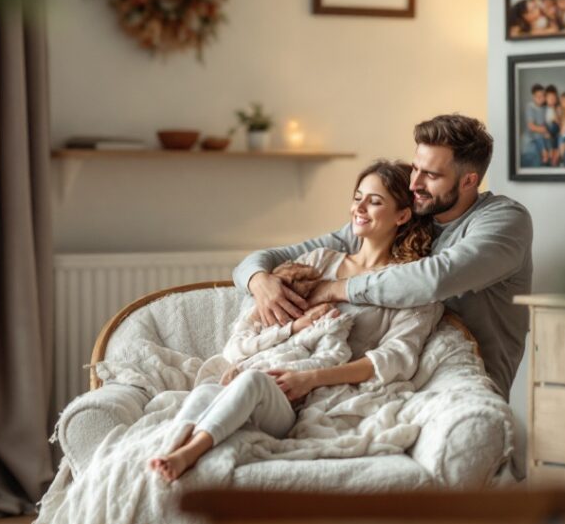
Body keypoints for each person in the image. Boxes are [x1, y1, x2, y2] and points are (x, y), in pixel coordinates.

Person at [152, 160, 441, 482]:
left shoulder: (409, 285)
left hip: (314, 398)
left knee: (252, 383)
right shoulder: (319, 261)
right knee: (209, 390)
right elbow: (259, 323)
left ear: (402, 215)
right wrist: (252, 356)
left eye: (374, 201)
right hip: (269, 375)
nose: (359, 207)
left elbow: (396, 358)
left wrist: (312, 378)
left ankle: (187, 455)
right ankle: (167, 451)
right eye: (357, 196)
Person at [234, 115, 534, 398]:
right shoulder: (410, 217)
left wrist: (333, 288)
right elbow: (275, 257)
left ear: (469, 181)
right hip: (385, 377)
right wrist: (258, 280)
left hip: (459, 377)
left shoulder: (504, 221)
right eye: (416, 168)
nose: (414, 184)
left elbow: (436, 279)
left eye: (431, 175)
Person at [522, 84, 552, 167]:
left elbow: (548, 124)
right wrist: (544, 130)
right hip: (532, 138)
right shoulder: (530, 107)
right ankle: (544, 152)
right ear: (533, 97)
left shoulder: (545, 108)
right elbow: (531, 126)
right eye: (538, 96)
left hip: (542, 136)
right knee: (536, 158)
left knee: (548, 140)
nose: (540, 98)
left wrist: (546, 131)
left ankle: (548, 155)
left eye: (542, 96)